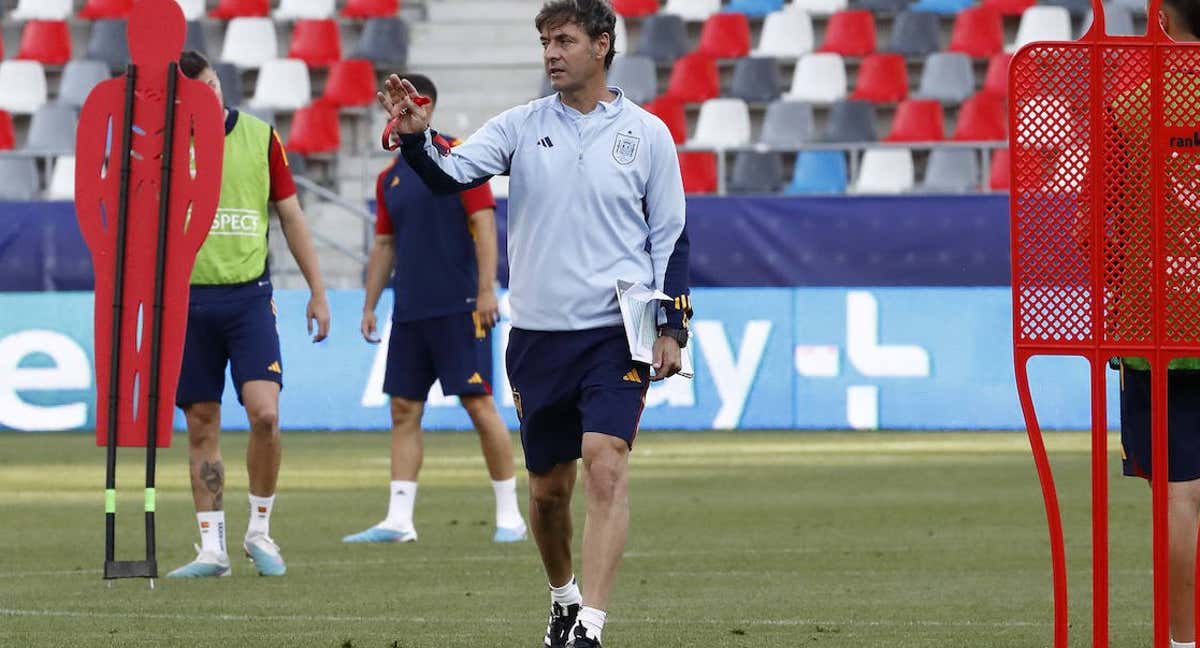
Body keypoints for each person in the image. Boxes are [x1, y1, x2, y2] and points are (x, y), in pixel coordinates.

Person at [377, 1, 690, 646]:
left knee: (606, 463)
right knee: (549, 494)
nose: (551, 52)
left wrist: (671, 326)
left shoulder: (649, 134)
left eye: (564, 40)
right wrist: (415, 136)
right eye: (545, 40)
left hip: (616, 331)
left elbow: (672, 238)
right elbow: (449, 174)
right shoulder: (520, 127)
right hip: (540, 337)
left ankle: (591, 628)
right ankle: (564, 597)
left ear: (601, 46)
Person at [343, 74, 527, 545]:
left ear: (425, 105)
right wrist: (369, 304)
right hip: (410, 310)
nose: (398, 112)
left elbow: (484, 225)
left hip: (460, 305)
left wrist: (488, 290)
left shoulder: (457, 160)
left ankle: (510, 514)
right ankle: (399, 519)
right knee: (403, 408)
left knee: (478, 403)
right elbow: (384, 245)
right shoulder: (391, 178)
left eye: (408, 104)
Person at [166, 50, 331, 578]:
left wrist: (317, 290)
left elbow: (291, 215)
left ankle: (259, 530)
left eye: (214, 85)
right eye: (197, 92)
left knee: (265, 414)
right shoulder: (166, 148)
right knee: (200, 425)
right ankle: (211, 549)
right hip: (188, 301)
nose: (211, 96)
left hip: (249, 299)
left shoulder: (260, 137)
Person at [1116, 3, 1200, 646]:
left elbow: (1102, 223)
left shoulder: (1138, 101)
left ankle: (1179, 640)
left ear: (1165, 18)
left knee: (1179, 495)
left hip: (1162, 316)